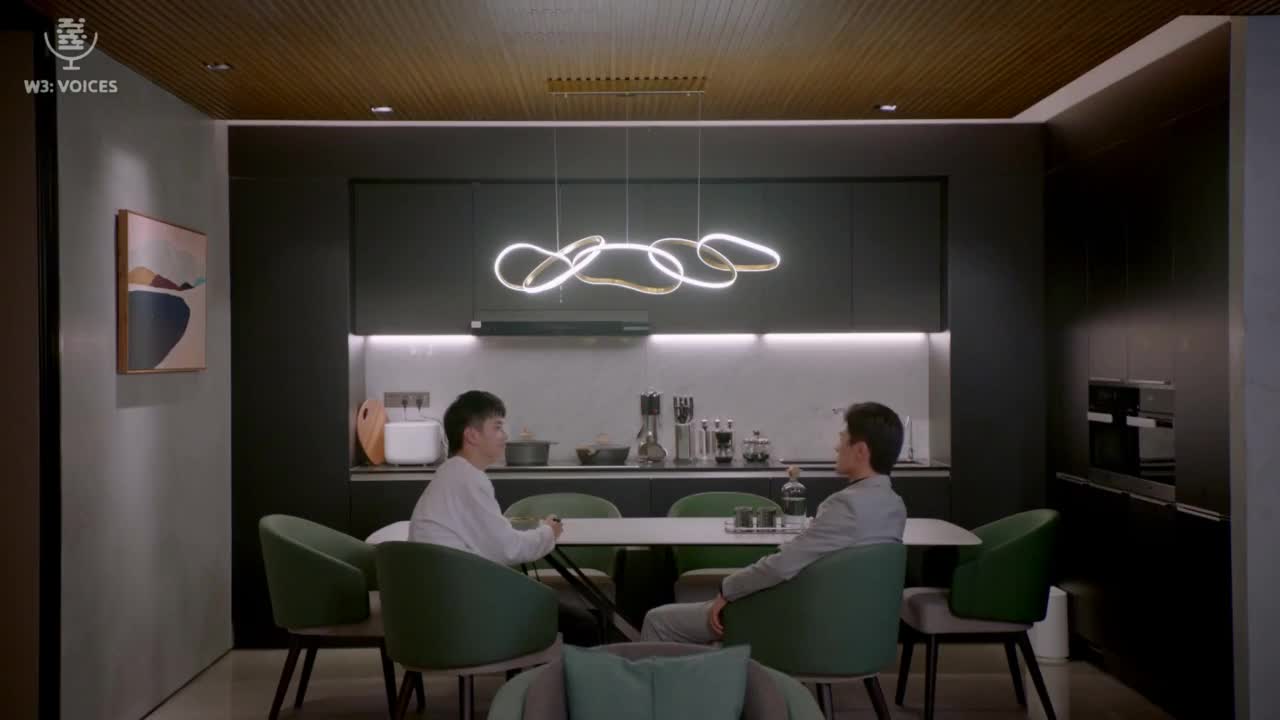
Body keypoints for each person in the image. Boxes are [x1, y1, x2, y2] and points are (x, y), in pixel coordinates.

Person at [640, 401, 908, 644]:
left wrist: (727, 590)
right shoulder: (895, 506)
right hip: (853, 628)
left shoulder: (845, 506)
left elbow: (781, 566)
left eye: (842, 439)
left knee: (657, 620)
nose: (837, 447)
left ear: (860, 451)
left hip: (799, 621)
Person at [408, 390, 599, 645]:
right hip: (463, 609)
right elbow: (507, 549)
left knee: (559, 608)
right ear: (472, 435)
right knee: (584, 624)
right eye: (497, 427)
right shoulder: (468, 479)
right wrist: (548, 532)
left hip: (440, 602)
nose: (505, 435)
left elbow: (491, 542)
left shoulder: (452, 474)